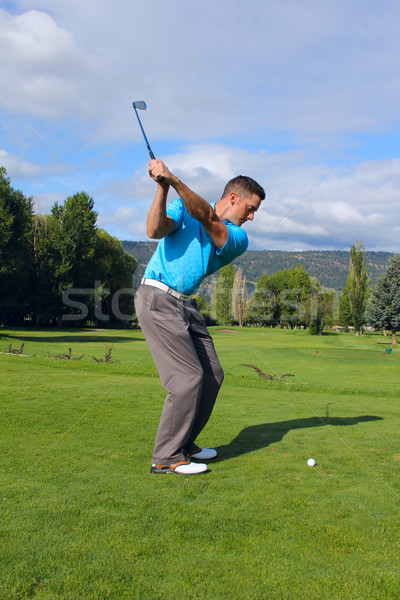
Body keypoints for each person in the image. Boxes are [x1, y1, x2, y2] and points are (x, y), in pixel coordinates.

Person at [134, 158, 265, 475]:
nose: (251, 217)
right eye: (250, 208)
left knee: (212, 374)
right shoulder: (184, 207)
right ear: (234, 197)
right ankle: (166, 457)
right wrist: (163, 188)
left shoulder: (237, 238)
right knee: (187, 378)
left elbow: (206, 216)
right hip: (158, 296)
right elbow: (155, 229)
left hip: (185, 304)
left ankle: (185, 443)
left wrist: (174, 179)